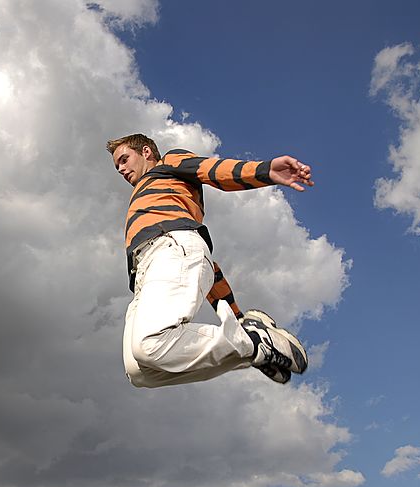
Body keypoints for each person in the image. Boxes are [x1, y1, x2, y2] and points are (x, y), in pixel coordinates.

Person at [106, 133, 312, 388]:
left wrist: (266, 170)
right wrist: (238, 317)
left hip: (169, 244)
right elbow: (206, 271)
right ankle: (255, 347)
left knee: (150, 344)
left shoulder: (168, 163)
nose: (121, 169)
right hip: (146, 270)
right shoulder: (145, 196)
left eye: (124, 159)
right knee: (140, 372)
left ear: (146, 151)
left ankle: (253, 340)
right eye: (117, 166)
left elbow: (211, 169)